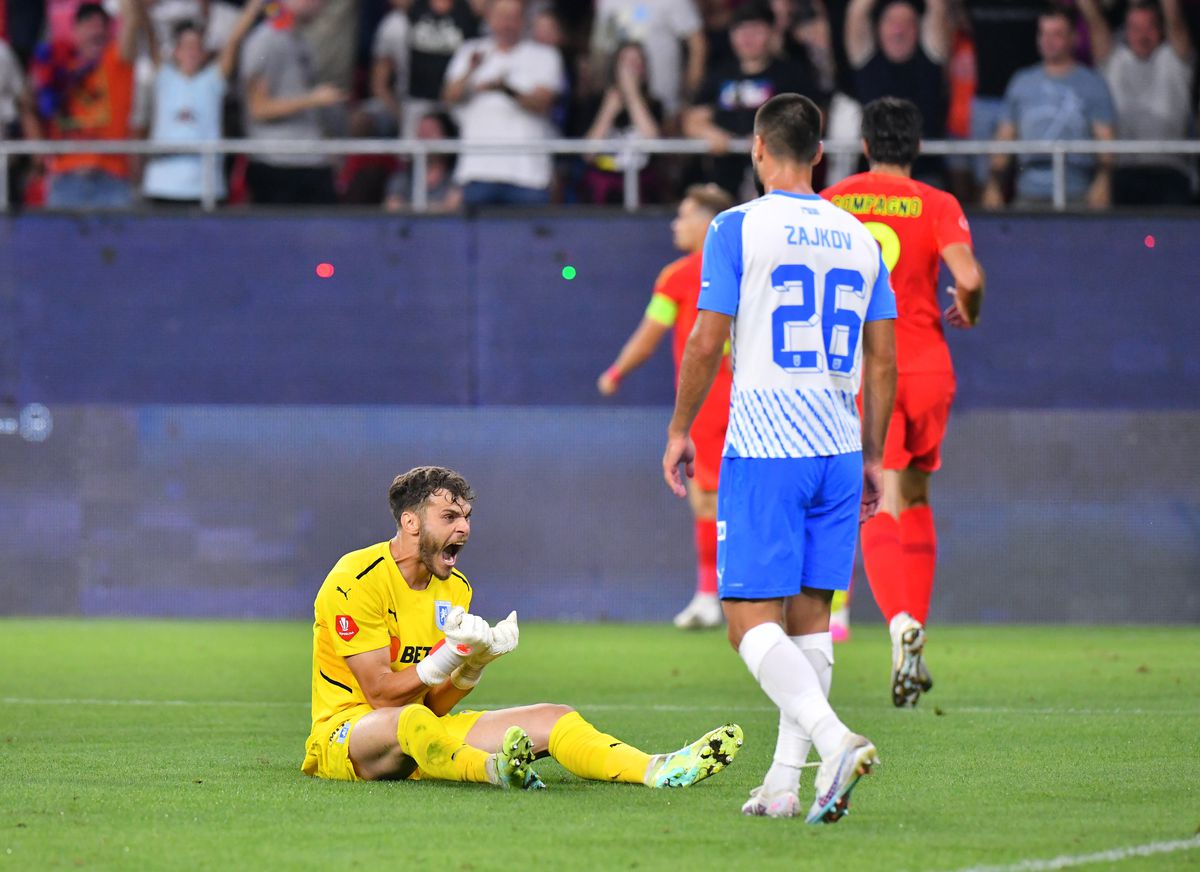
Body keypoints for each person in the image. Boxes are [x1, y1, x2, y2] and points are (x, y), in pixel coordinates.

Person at [662, 93, 897, 822]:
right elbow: (884, 360)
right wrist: (873, 454)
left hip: (768, 444)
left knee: (746, 621)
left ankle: (833, 741)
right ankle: (785, 785)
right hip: (837, 442)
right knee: (810, 621)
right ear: (821, 154)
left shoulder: (738, 226)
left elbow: (706, 339)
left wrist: (679, 428)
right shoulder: (859, 235)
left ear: (758, 149)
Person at [302, 465, 744, 788]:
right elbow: (380, 696)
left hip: (426, 735)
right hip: (345, 735)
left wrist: (473, 667)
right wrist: (449, 657)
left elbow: (435, 707)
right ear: (410, 522)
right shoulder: (355, 579)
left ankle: (657, 769)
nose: (465, 529)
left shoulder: (454, 587)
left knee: (556, 718)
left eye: (467, 516)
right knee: (411, 720)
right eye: (450, 518)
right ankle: (494, 771)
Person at [822, 97, 984, 706]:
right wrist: (970, 307)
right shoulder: (938, 204)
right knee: (914, 496)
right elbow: (966, 278)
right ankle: (912, 626)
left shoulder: (834, 200)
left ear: (865, 145)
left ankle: (897, 623)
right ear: (915, 147)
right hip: (930, 366)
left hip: (868, 369)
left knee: (877, 500)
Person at [598, 184, 734, 628]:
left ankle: (711, 596)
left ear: (706, 223)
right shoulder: (747, 265)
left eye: (683, 215)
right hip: (759, 397)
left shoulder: (678, 275)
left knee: (706, 498)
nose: (676, 224)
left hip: (711, 400)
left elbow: (649, 334)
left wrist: (616, 372)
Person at [981, 7, 1115, 210]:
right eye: (1043, 33)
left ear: (1074, 38)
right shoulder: (1021, 81)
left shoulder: (1092, 83)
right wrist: (993, 183)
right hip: (1028, 194)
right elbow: (1004, 139)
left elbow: (1107, 142)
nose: (1048, 40)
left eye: (1057, 34)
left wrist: (1104, 181)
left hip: (1078, 195)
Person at [684, 1, 820, 198]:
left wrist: (769, 139)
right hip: (723, 176)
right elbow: (693, 119)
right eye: (740, 30)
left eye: (756, 30)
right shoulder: (719, 73)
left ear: (772, 33)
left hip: (776, 180)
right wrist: (714, 135)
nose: (747, 38)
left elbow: (814, 118)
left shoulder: (792, 74)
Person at [442, 0, 563, 207]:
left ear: (524, 21)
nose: (507, 24)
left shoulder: (544, 55)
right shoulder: (471, 52)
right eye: (501, 17)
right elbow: (448, 97)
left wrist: (505, 89)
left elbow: (542, 102)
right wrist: (470, 71)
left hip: (528, 176)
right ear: (489, 19)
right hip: (477, 172)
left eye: (513, 17)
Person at [142, 0, 264, 204]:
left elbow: (234, 39)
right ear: (175, 52)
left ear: (205, 53)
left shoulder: (212, 81)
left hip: (205, 187)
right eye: (186, 46)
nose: (192, 52)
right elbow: (147, 31)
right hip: (162, 185)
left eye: (197, 47)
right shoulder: (164, 77)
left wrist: (254, 6)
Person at [29, 0, 147, 208]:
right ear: (73, 31)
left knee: (118, 242)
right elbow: (28, 103)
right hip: (65, 179)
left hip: (112, 179)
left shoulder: (116, 63)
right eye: (88, 23)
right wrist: (38, 151)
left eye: (102, 24)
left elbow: (132, 18)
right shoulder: (56, 64)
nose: (96, 29)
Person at [1077, 0, 1196, 206]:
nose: (1142, 35)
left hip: (1171, 171)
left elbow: (1173, 16)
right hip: (1123, 171)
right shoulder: (1112, 59)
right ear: (1125, 31)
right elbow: (1093, 19)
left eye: (1149, 27)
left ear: (1160, 30)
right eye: (1135, 28)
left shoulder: (1175, 59)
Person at [239, 0, 346, 205]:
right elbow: (257, 108)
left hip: (311, 160)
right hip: (278, 164)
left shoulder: (299, 40)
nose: (321, 5)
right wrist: (312, 99)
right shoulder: (265, 40)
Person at [844, 0, 949, 184]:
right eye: (891, 22)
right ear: (877, 29)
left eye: (907, 23)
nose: (899, 30)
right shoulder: (866, 60)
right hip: (872, 175)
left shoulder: (930, 59)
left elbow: (938, 7)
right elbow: (857, 12)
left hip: (925, 173)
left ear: (919, 29)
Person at [591, 0, 706, 117]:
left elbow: (698, 47)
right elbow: (602, 52)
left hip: (667, 104)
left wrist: (689, 97)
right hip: (620, 104)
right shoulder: (608, 3)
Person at [581, 41, 663, 204]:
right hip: (603, 180)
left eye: (636, 62)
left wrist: (633, 97)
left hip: (642, 181)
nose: (630, 69)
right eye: (625, 61)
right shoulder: (594, 102)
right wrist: (608, 110)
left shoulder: (655, 104)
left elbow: (654, 144)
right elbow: (588, 154)